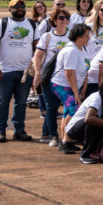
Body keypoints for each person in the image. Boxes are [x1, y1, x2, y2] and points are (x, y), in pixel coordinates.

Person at [0, 0, 38, 143]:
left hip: (25, 71)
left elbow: (37, 47)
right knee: (3, 102)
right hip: (5, 71)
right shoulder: (2, 24)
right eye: (16, 7)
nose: (20, 9)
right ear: (9, 9)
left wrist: (35, 67)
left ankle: (19, 130)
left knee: (21, 102)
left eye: (22, 6)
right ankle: (1, 131)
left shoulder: (31, 25)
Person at [32, 8, 72, 144]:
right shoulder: (47, 37)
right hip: (49, 78)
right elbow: (37, 57)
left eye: (67, 18)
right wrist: (37, 74)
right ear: (54, 21)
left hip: (66, 79)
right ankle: (54, 136)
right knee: (51, 108)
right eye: (61, 18)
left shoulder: (71, 37)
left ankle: (65, 135)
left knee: (69, 106)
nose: (64, 20)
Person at [49, 24, 91, 153]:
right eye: (86, 36)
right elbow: (69, 73)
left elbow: (85, 68)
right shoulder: (71, 50)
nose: (88, 38)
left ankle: (66, 140)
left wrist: (83, 87)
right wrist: (75, 94)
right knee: (74, 110)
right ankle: (66, 141)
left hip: (73, 86)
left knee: (68, 111)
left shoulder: (83, 48)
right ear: (78, 37)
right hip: (63, 85)